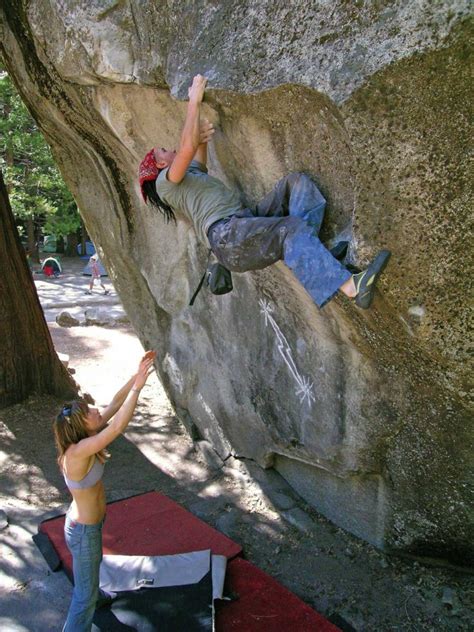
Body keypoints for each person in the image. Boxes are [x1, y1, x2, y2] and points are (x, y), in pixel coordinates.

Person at [139, 74, 390, 310]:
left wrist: (201, 140)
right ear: (160, 165)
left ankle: (318, 255)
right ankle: (353, 289)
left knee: (295, 184)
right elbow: (186, 146)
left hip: (242, 222)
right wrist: (193, 100)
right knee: (289, 229)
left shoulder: (188, 177)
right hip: (227, 237)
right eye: (163, 151)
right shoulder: (165, 182)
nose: (168, 149)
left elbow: (198, 161)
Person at [53, 351, 156, 631]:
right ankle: (89, 603)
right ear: (81, 425)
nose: (95, 410)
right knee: (82, 599)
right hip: (84, 531)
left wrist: (138, 375)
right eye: (89, 413)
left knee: (92, 566)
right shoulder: (78, 452)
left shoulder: (85, 437)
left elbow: (114, 404)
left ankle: (96, 595)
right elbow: (118, 426)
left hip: (88, 525)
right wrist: (138, 388)